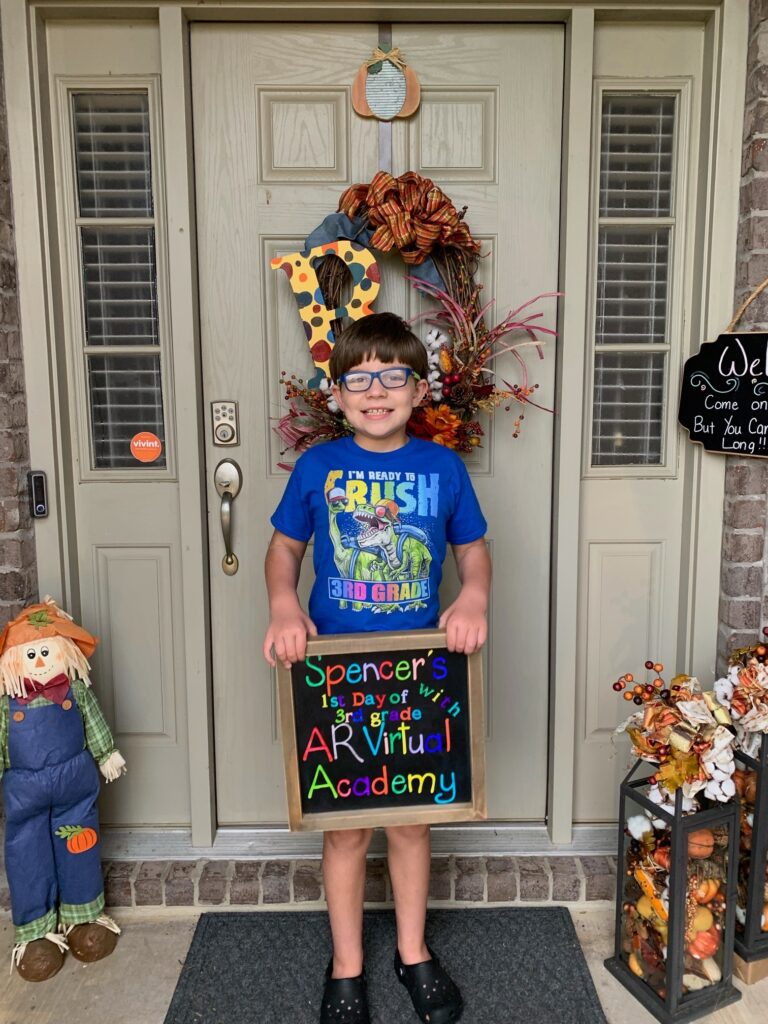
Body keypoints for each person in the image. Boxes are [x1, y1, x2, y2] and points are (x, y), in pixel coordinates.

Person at [263, 312, 491, 1024]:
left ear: (420, 391)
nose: (377, 391)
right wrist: (282, 605)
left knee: (412, 823)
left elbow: (472, 551)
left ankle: (413, 951)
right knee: (346, 830)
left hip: (418, 674)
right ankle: (347, 963)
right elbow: (284, 550)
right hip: (336, 678)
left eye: (394, 377)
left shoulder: (442, 468)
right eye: (359, 380)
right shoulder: (318, 467)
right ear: (335, 395)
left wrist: (474, 597)